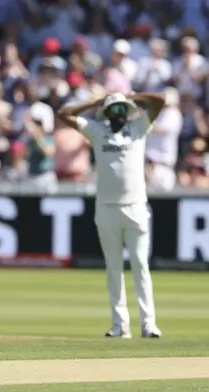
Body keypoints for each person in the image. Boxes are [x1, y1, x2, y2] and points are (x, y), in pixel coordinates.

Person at [56, 91, 165, 339]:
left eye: (122, 109)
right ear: (106, 112)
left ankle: (148, 324)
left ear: (128, 111)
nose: (118, 113)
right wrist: (95, 102)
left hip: (136, 207)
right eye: (113, 109)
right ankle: (120, 325)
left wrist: (133, 96)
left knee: (140, 265)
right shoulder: (96, 130)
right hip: (106, 209)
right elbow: (63, 114)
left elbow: (160, 101)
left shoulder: (139, 126)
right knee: (113, 268)